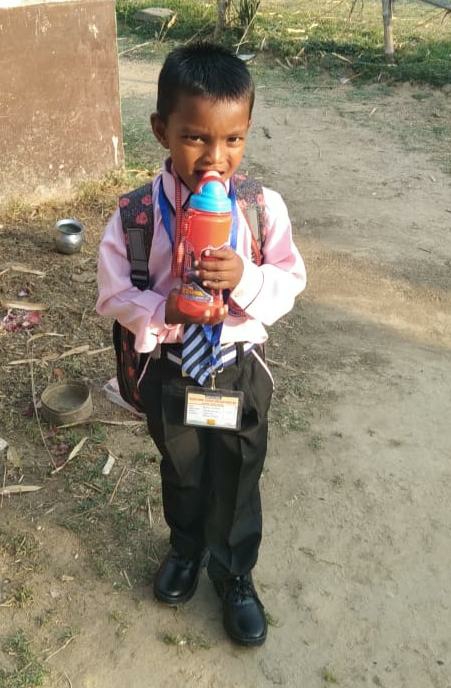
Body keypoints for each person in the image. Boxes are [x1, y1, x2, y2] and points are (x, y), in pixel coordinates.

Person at [97, 42, 306, 647]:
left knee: (238, 473)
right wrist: (160, 309)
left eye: (233, 140)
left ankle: (234, 572)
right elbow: (113, 292)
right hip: (173, 367)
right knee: (183, 469)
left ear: (246, 133)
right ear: (161, 129)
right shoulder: (137, 215)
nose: (216, 158)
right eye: (195, 138)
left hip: (236, 367)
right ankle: (186, 550)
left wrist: (246, 278)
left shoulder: (260, 209)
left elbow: (290, 280)